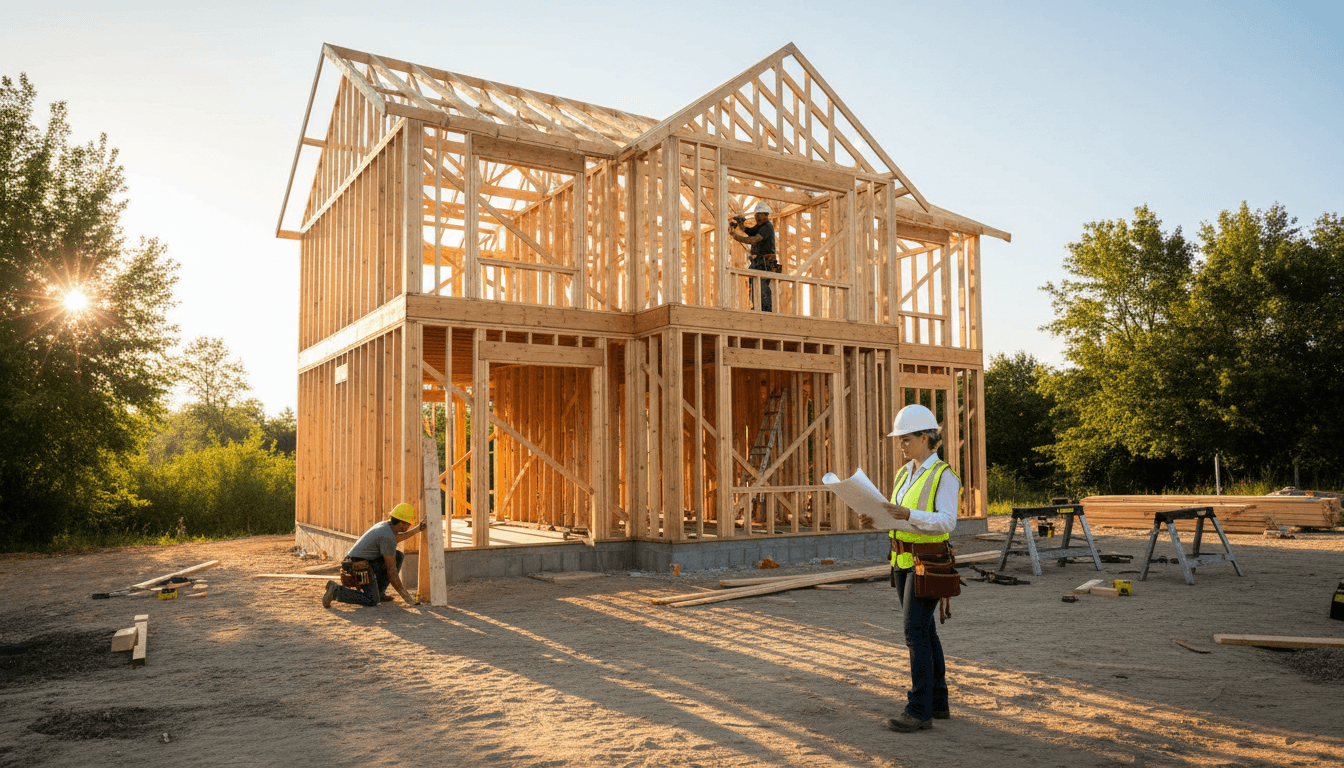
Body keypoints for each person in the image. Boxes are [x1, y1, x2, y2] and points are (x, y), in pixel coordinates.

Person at [859, 403, 961, 733]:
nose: (901, 444)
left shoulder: (945, 476)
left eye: (905, 438)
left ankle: (919, 710)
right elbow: (896, 517)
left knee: (914, 633)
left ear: (925, 437)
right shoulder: (904, 473)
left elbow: (947, 522)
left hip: (929, 563)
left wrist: (908, 515)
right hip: (902, 562)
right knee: (925, 631)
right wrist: (875, 519)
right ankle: (938, 702)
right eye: (900, 439)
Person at [323, 503, 425, 608]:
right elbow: (392, 573)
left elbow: (397, 538)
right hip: (357, 567)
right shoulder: (387, 537)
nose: (409, 526)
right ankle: (336, 591)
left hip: (359, 562)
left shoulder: (386, 526)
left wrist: (418, 529)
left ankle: (379, 593)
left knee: (398, 556)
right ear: (402, 524)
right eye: (409, 524)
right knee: (372, 600)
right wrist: (408, 599)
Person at [730, 201, 778, 312]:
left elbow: (753, 240)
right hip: (758, 262)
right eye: (756, 214)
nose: (756, 217)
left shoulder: (767, 227)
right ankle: (756, 307)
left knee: (763, 287)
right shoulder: (760, 225)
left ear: (765, 215)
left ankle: (765, 311)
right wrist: (741, 226)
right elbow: (750, 231)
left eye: (758, 214)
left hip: (766, 262)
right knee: (753, 285)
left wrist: (735, 236)